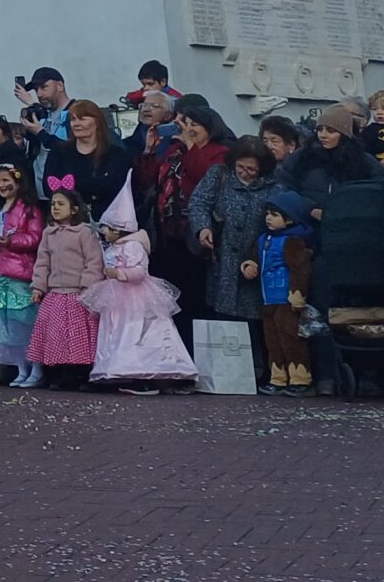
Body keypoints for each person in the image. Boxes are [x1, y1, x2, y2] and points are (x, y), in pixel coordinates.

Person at [80, 180, 196, 392]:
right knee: (118, 331)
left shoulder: (133, 246)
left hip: (134, 295)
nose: (104, 231)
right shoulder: (114, 247)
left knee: (136, 332)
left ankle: (143, 374)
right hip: (116, 294)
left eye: (108, 228)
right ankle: (122, 371)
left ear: (120, 229)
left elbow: (139, 272)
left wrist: (119, 274)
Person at [138, 94, 230, 332]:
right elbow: (149, 181)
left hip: (197, 235)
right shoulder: (173, 150)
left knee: (196, 297)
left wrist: (191, 146)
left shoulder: (219, 152)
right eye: (184, 124)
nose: (187, 129)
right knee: (172, 297)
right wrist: (150, 151)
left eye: (193, 125)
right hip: (168, 234)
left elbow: (204, 178)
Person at [188, 138, 274, 377]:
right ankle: (226, 372)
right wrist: (203, 227)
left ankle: (256, 370)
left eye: (251, 170)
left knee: (254, 318)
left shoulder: (274, 186)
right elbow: (198, 203)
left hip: (255, 259)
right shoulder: (219, 175)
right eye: (241, 167)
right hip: (222, 256)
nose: (245, 173)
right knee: (222, 311)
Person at [27, 186, 102, 388]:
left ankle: (82, 375)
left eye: (61, 204)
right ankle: (60, 374)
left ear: (75, 209)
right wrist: (38, 287)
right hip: (56, 294)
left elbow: (93, 261)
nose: (55, 208)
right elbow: (42, 262)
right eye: (53, 204)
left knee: (78, 337)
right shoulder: (49, 234)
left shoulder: (84, 233)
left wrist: (87, 286)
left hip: (77, 293)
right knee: (57, 335)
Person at [253, 189, 317, 392]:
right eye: (267, 214)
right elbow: (254, 256)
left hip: (285, 299)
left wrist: (297, 293)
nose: (268, 218)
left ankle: (300, 378)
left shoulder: (292, 241)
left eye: (274, 215)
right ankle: (278, 378)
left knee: (291, 339)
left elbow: (300, 268)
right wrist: (249, 264)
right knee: (272, 341)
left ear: (289, 219)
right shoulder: (264, 239)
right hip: (267, 298)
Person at [0, 163, 44, 388]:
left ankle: (37, 368)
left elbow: (35, 238)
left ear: (18, 182)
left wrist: (12, 242)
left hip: (20, 272)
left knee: (26, 322)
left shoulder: (30, 210)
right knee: (9, 324)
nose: (2, 185)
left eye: (6, 180)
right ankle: (21, 368)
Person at [36, 97, 132, 214]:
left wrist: (72, 186)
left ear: (97, 122)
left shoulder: (116, 154)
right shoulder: (59, 151)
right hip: (68, 220)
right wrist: (91, 188)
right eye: (73, 119)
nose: (76, 123)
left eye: (82, 119)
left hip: (105, 218)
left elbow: (113, 189)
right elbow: (48, 187)